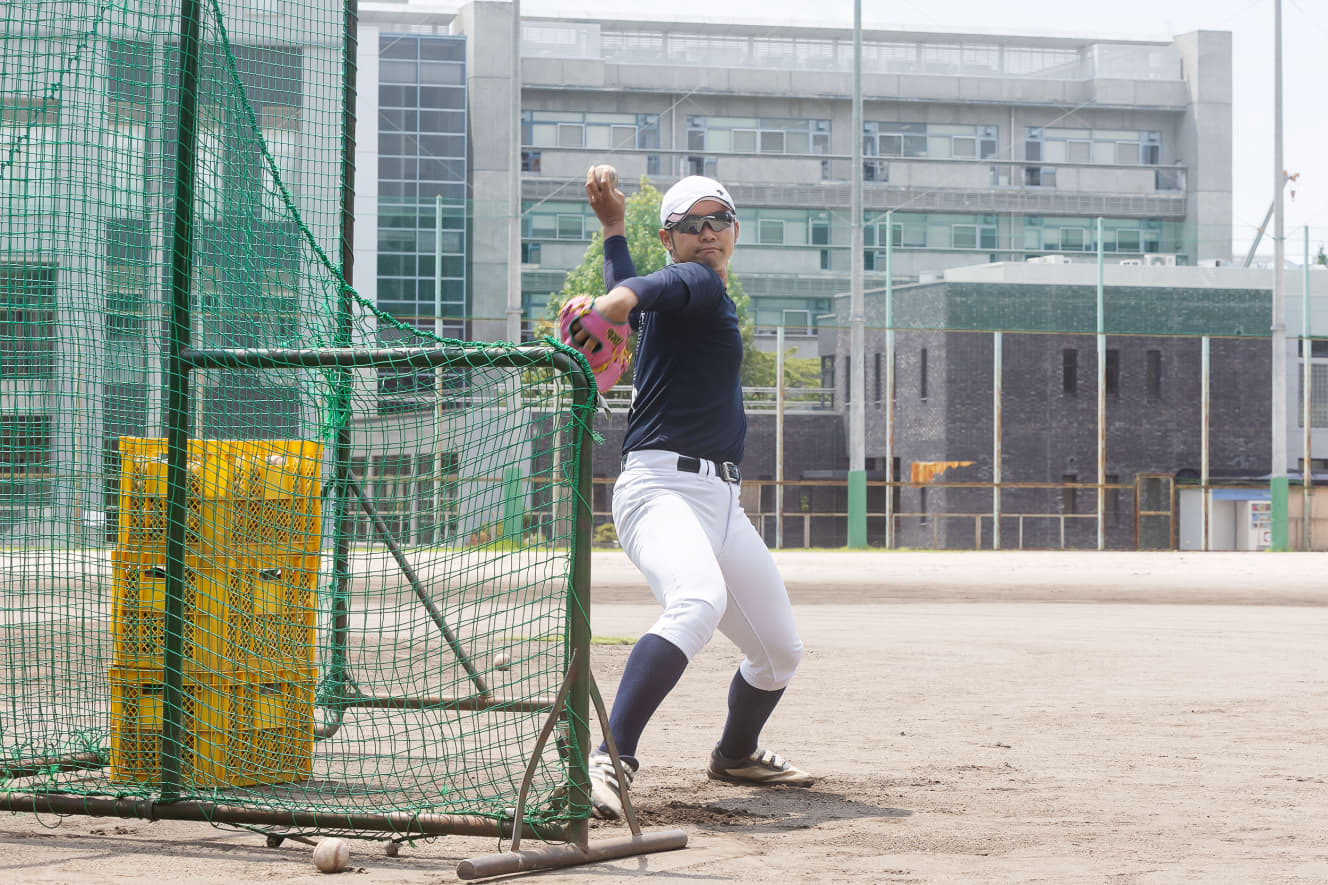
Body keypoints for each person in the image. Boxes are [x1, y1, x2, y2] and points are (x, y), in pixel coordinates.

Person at [575, 169, 813, 821]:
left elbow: (641, 288)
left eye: (719, 220)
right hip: (660, 488)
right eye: (691, 224)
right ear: (672, 239)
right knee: (697, 601)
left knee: (779, 652)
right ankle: (609, 758)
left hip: (721, 503)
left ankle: (736, 753)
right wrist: (617, 302)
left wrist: (613, 233)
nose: (707, 233)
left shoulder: (683, 301)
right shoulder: (697, 283)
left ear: (735, 229)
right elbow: (654, 286)